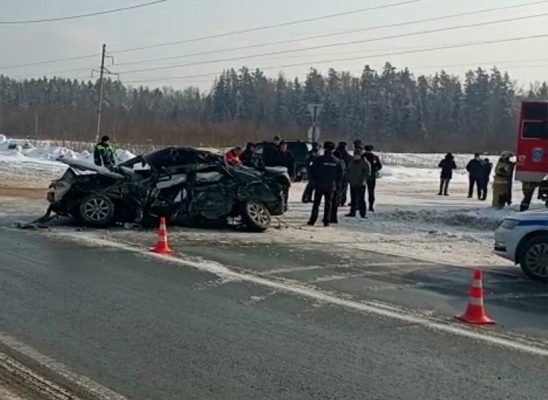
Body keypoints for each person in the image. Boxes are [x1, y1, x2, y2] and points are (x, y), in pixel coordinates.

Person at [307, 141, 343, 227]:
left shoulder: (319, 159)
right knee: (328, 204)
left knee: (316, 203)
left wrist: (314, 181)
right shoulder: (337, 161)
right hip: (330, 186)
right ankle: (326, 221)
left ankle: (312, 220)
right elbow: (340, 174)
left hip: (319, 184)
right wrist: (336, 183)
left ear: (324, 148)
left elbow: (311, 171)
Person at [345, 149, 371, 218]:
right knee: (353, 199)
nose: (355, 156)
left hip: (361, 184)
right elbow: (347, 170)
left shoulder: (365, 163)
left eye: (357, 155)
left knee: (361, 199)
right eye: (355, 155)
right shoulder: (351, 162)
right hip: (352, 183)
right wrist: (348, 178)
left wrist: (362, 180)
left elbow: (367, 173)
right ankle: (352, 212)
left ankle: (363, 213)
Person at [362, 145, 382, 211]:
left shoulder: (362, 156)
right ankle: (371, 206)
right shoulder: (375, 157)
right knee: (371, 191)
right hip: (372, 176)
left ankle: (360, 206)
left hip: (362, 176)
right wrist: (374, 169)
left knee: (361, 192)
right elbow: (379, 166)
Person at [334, 141, 351, 206]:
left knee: (337, 188)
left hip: (335, 173)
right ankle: (342, 200)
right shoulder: (346, 154)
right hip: (345, 173)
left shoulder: (335, 153)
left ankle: (336, 200)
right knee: (344, 188)